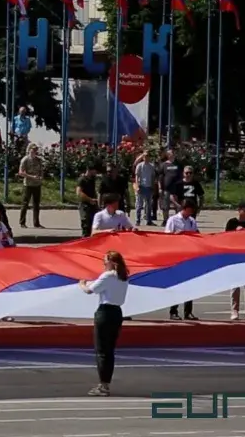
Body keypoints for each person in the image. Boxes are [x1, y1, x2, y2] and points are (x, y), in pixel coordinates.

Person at [79, 250, 129, 397]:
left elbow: (90, 290)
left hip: (105, 312)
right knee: (109, 350)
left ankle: (103, 385)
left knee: (102, 350)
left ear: (112, 263)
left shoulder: (108, 275)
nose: (103, 264)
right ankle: (105, 382)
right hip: (117, 313)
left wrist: (81, 284)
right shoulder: (123, 277)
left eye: (105, 261)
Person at [165, 199, 199, 320]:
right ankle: (173, 311)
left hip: (189, 255)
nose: (190, 213)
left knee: (190, 285)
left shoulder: (191, 221)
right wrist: (176, 235)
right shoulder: (173, 220)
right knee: (177, 286)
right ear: (184, 209)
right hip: (177, 256)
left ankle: (188, 311)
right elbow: (166, 237)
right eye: (189, 210)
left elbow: (197, 235)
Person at [18, 145, 44, 229]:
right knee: (25, 204)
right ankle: (22, 222)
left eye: (35, 151)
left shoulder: (38, 160)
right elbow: (21, 173)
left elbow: (41, 170)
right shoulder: (25, 160)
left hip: (37, 184)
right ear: (29, 151)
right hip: (28, 185)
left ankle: (36, 223)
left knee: (36, 204)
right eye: (32, 151)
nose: (34, 153)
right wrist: (31, 177)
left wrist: (41, 177)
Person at [76, 162, 101, 237]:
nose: (96, 172)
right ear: (89, 170)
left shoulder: (92, 179)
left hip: (93, 206)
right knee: (86, 225)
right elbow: (79, 192)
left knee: (93, 225)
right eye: (94, 170)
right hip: (85, 206)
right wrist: (90, 199)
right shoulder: (82, 180)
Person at [133, 152, 157, 227]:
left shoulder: (151, 166)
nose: (146, 157)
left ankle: (149, 220)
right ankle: (137, 220)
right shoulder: (139, 166)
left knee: (149, 205)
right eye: (145, 156)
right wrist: (137, 186)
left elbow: (153, 176)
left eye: (148, 156)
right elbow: (137, 176)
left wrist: (153, 186)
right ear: (143, 157)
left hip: (149, 187)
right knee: (139, 205)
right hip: (141, 186)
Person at [157, 151, 179, 223]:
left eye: (173, 153)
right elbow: (160, 177)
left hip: (176, 189)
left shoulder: (178, 164)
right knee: (165, 206)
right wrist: (160, 188)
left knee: (177, 205)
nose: (173, 155)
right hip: (166, 189)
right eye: (171, 154)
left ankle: (177, 220)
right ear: (168, 155)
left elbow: (182, 175)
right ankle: (165, 220)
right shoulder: (163, 165)